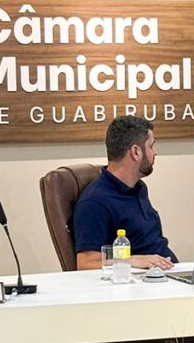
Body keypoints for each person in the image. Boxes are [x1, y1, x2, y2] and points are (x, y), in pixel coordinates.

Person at [73, 116, 177, 271]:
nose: (155, 153)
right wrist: (132, 260)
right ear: (135, 152)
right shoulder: (94, 202)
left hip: (166, 272)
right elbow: (85, 264)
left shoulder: (139, 188)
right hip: (140, 280)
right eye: (151, 146)